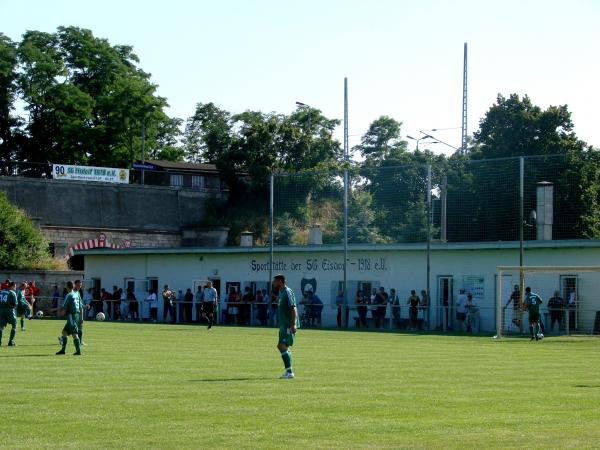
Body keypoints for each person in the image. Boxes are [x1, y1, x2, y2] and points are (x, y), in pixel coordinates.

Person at [273, 274, 299, 379]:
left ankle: (290, 372)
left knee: (282, 346)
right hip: (283, 324)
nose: (273, 283)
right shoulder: (281, 292)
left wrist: (293, 324)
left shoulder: (287, 292)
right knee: (282, 346)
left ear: (280, 281)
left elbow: (294, 308)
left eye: (274, 281)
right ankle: (289, 371)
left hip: (288, 325)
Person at [56, 281, 82, 355]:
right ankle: (63, 350)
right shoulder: (76, 294)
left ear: (67, 287)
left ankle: (78, 351)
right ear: (73, 286)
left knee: (74, 333)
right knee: (64, 332)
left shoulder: (69, 295)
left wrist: (54, 310)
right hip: (76, 315)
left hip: (71, 315)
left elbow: (64, 307)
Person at [0, 280, 18, 346]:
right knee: (14, 324)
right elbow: (16, 304)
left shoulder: (1, 292)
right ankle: (11, 342)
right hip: (9, 310)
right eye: (15, 287)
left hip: (1, 310)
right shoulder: (12, 293)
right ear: (12, 286)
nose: (15, 288)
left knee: (1, 327)